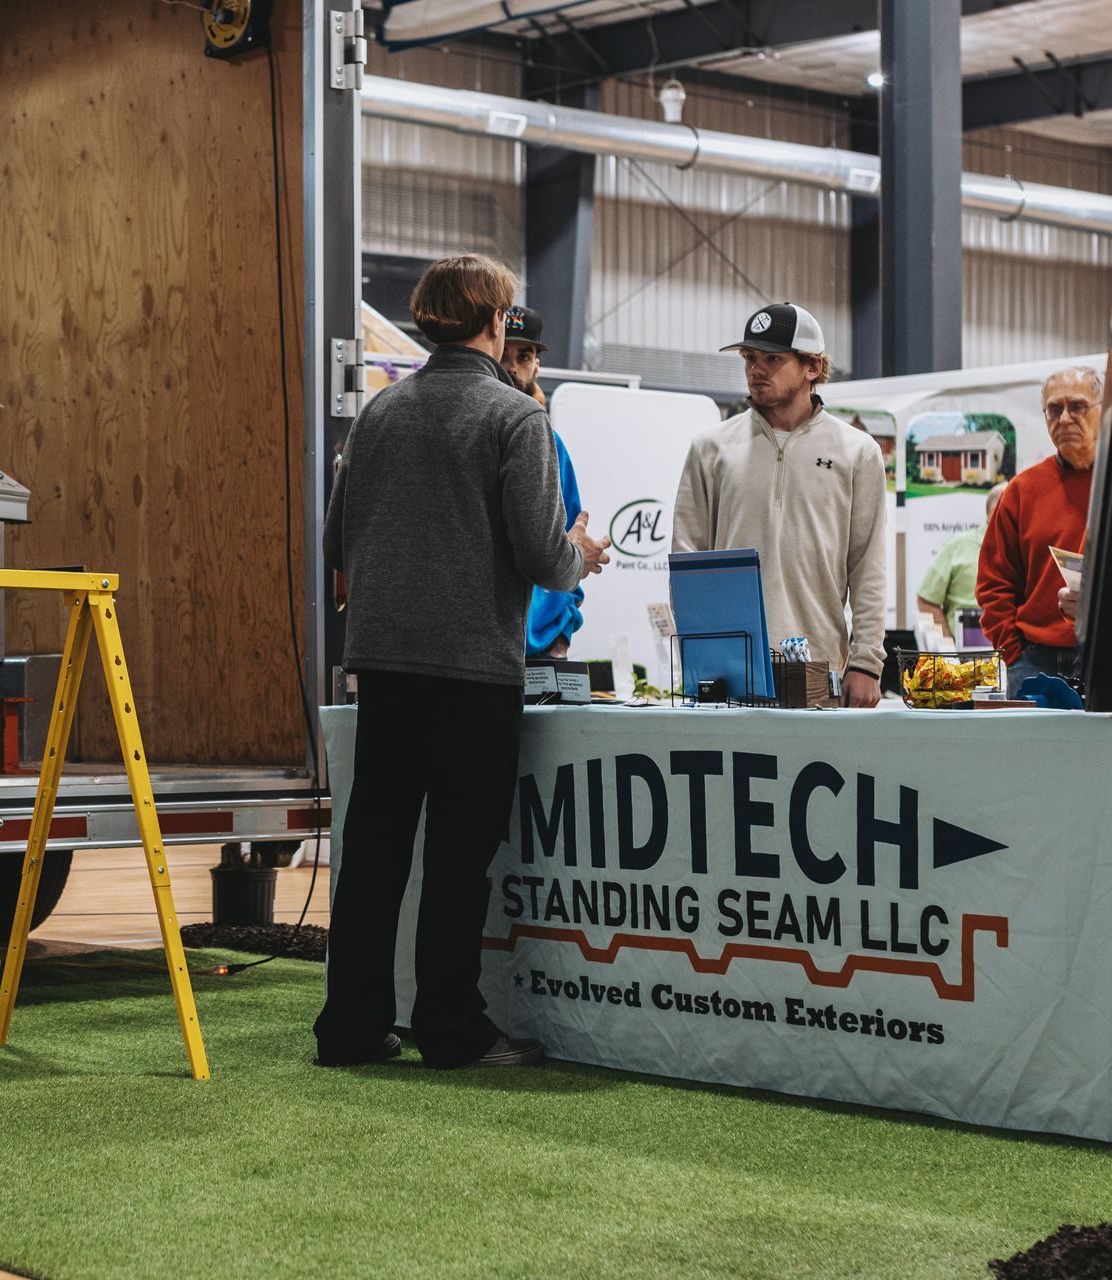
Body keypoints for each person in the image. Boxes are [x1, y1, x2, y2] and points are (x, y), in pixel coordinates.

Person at [317, 254, 610, 1070]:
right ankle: (449, 1027)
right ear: (494, 322)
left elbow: (336, 540)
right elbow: (545, 559)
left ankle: (349, 1027)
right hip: (473, 668)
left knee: (373, 849)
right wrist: (581, 550)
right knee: (456, 856)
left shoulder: (378, 414)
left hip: (382, 662)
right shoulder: (516, 419)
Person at [672, 303, 888, 707]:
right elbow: (688, 560)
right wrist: (698, 656)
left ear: (812, 368)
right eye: (750, 358)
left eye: (773, 359)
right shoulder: (710, 448)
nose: (757, 369)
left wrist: (867, 663)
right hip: (727, 673)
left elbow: (868, 566)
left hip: (817, 668)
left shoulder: (857, 452)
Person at [976, 366, 1100, 696]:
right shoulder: (1021, 491)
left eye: (1077, 406)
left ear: (1104, 411)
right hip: (1033, 662)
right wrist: (1015, 655)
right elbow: (993, 582)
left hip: (1108, 656)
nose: (1064, 419)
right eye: (1054, 409)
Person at [500, 305, 585, 658]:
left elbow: (573, 537)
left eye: (524, 356)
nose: (512, 367)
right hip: (486, 645)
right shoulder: (472, 438)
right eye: (504, 353)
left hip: (543, 647)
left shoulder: (554, 447)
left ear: (536, 364)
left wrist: (562, 633)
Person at [916, 482, 1007, 643]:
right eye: (1016, 506)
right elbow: (926, 600)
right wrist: (949, 648)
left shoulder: (1027, 551)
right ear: (994, 511)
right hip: (965, 660)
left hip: (1017, 658)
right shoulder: (957, 547)